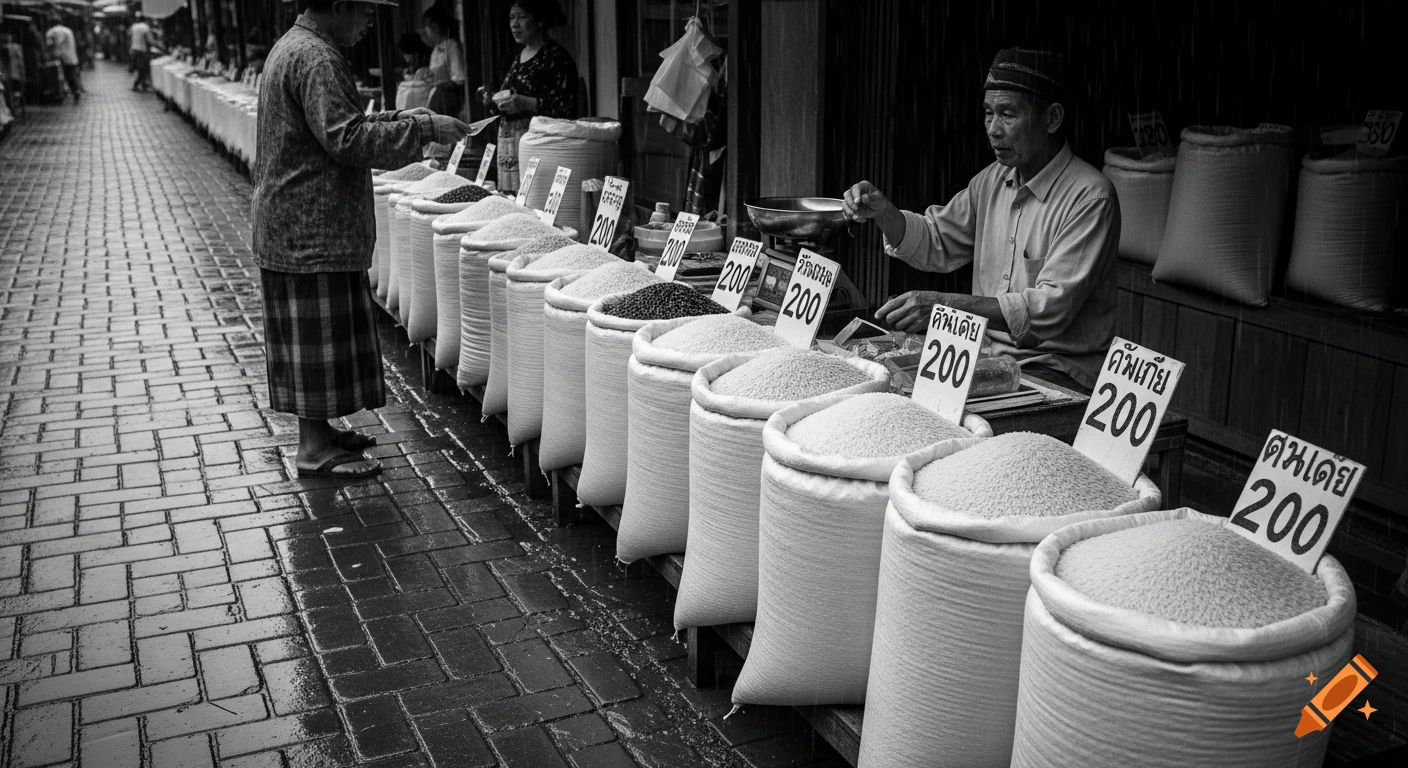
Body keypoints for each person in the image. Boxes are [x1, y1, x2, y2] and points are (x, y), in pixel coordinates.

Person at [252, 0, 469, 479]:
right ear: (337, 7)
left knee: (319, 337)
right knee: (316, 338)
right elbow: (348, 138)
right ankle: (312, 449)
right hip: (309, 228)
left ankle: (322, 433)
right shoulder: (317, 58)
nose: (370, 20)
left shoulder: (300, 47)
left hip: (302, 225)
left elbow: (346, 125)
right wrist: (423, 129)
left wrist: (412, 120)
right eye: (364, 10)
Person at [843, 48, 1120, 391]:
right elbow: (936, 240)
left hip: (1057, 371)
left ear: (1052, 119)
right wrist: (884, 212)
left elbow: (1048, 311)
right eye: (988, 113)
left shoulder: (1090, 197)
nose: (993, 129)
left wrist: (946, 306)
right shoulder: (992, 180)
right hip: (985, 356)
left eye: (1007, 114)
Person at [477, 0, 577, 192]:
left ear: (539, 20)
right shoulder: (517, 57)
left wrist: (525, 103)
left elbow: (566, 107)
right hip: (510, 149)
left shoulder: (556, 58)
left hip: (539, 149)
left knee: (534, 202)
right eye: (512, 17)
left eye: (522, 17)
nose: (515, 24)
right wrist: (492, 100)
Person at [420, 6, 466, 116]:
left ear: (435, 27)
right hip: (437, 101)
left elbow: (459, 79)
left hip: (450, 104)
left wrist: (440, 85)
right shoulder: (436, 50)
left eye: (426, 27)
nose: (425, 31)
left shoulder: (452, 46)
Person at [45, 16, 81, 103]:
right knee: (71, 74)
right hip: (71, 56)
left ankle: (61, 93)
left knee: (59, 76)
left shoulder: (51, 32)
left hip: (58, 57)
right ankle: (75, 90)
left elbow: (49, 45)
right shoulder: (68, 30)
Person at [129, 14, 153, 91]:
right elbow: (149, 40)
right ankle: (137, 84)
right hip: (142, 50)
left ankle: (142, 84)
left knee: (138, 68)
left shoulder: (133, 26)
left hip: (134, 50)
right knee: (143, 68)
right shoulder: (145, 27)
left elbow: (129, 36)